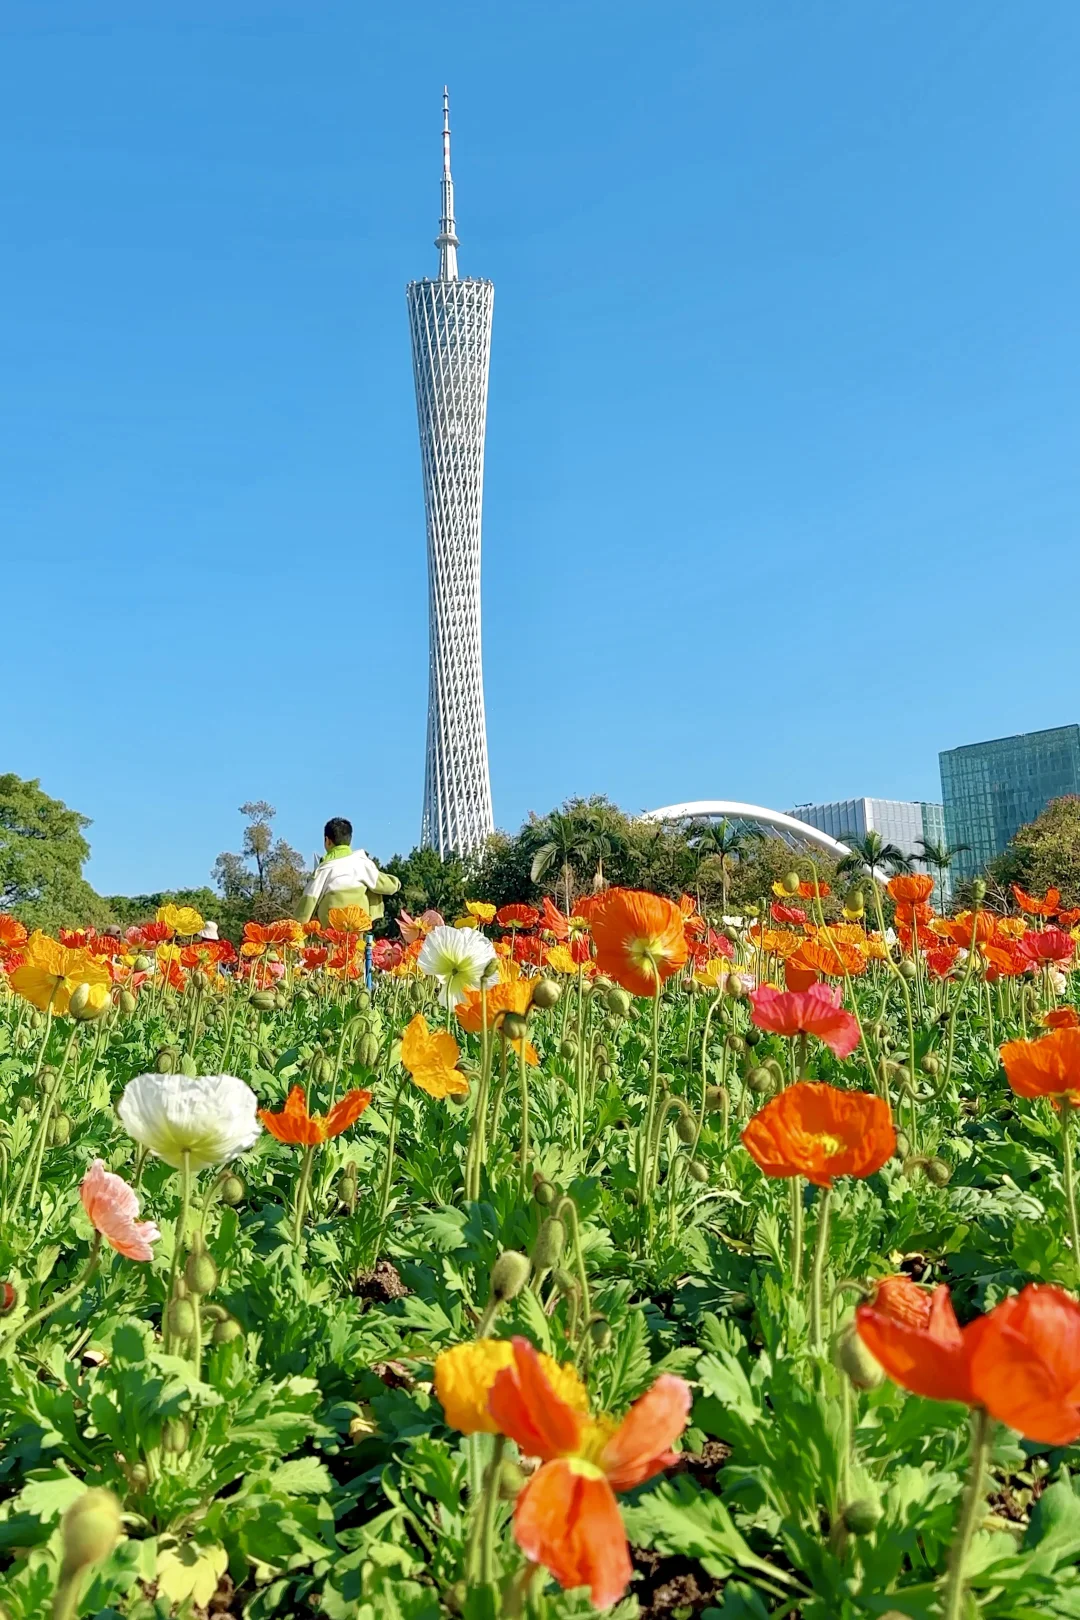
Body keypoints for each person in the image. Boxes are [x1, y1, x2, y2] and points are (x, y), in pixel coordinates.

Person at [295, 818, 401, 988]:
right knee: (357, 956)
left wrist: (297, 927)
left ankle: (333, 989)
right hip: (358, 922)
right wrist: (396, 882)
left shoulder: (323, 868)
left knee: (333, 957)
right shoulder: (361, 863)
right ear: (350, 839)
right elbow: (384, 885)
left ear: (327, 841)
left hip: (333, 924)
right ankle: (359, 986)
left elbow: (309, 899)